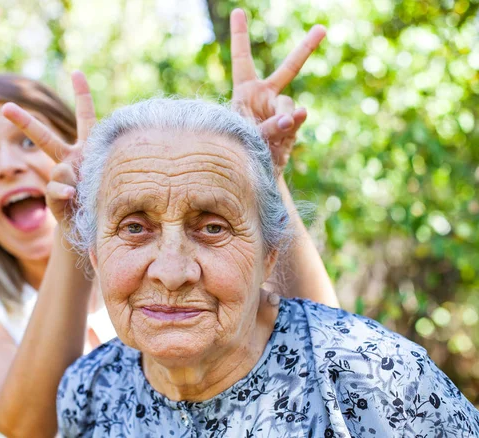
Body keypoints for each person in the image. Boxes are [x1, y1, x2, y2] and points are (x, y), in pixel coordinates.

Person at [0, 9, 338, 437]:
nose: (7, 166)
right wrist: (77, 222)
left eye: (25, 141)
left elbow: (320, 338)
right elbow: (32, 426)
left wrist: (259, 170)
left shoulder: (173, 260)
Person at [56, 97, 479, 438]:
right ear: (95, 253)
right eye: (134, 227)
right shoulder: (89, 390)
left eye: (212, 227)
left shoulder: (378, 378)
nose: (171, 271)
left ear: (269, 254)